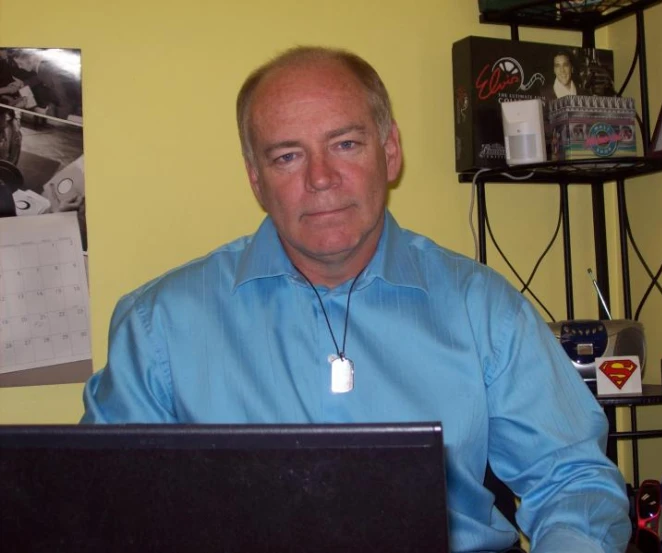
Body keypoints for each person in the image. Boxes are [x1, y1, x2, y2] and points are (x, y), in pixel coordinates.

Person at [81, 46, 631, 553]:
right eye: (287, 157)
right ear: (255, 178)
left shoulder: (480, 308)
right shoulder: (159, 327)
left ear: (390, 153)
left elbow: (573, 480)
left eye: (345, 144)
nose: (321, 178)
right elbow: (102, 510)